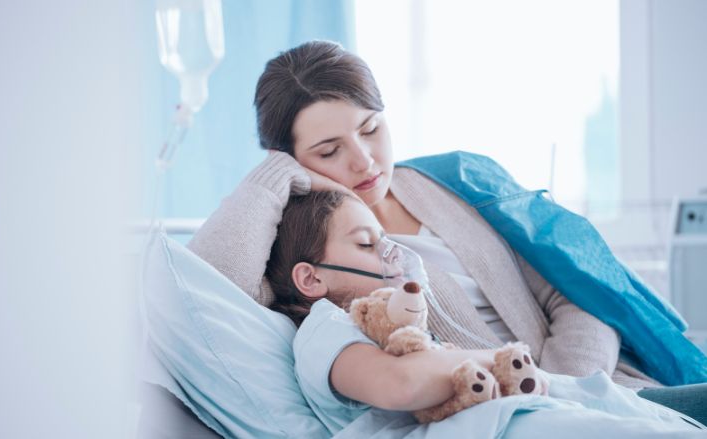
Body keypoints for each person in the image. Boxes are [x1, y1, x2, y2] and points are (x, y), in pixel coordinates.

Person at [186, 40, 706, 423]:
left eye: (371, 129)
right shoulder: (311, 251)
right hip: (512, 415)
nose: (364, 160)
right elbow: (203, 290)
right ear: (292, 159)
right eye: (329, 151)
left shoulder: (452, 183)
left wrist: (565, 385)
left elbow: (576, 293)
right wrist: (274, 175)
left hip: (603, 390)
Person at [265, 189, 703, 435]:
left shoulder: (399, 326)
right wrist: (501, 360)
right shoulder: (326, 329)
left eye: (386, 240)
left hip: (574, 402)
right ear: (310, 279)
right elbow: (401, 384)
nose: (391, 255)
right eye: (366, 244)